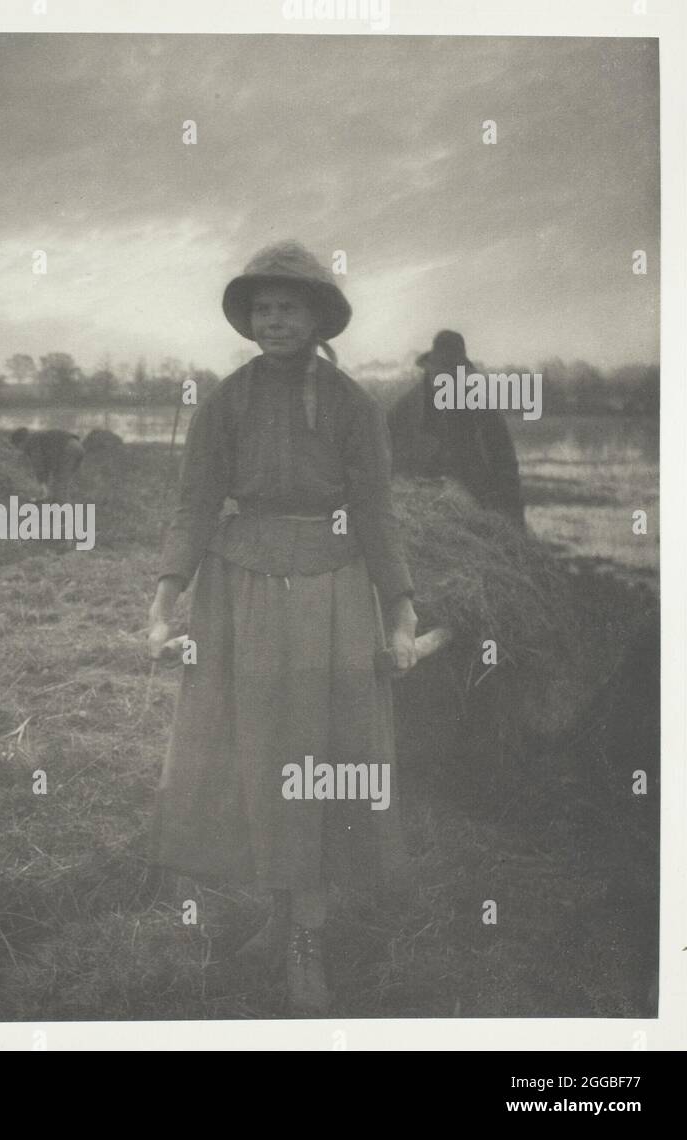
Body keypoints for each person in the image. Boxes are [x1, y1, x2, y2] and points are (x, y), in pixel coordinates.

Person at [146, 240, 418, 1017]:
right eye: (262, 309)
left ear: (317, 317)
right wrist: (166, 596)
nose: (274, 321)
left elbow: (375, 512)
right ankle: (277, 911)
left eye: (288, 308)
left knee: (317, 754)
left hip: (331, 595)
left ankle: (310, 938)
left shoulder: (351, 405)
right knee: (256, 751)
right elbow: (195, 502)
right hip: (238, 593)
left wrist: (400, 610)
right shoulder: (225, 401)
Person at [388, 330, 525, 526]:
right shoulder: (404, 410)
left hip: (475, 513)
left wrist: (515, 522)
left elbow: (506, 468)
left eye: (454, 371)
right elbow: (381, 464)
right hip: (419, 516)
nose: (448, 378)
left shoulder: (484, 411)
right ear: (429, 368)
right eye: (443, 369)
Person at [9, 427, 85, 500]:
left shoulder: (31, 441)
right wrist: (45, 483)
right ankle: (59, 507)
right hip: (78, 446)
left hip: (68, 449)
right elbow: (47, 466)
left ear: (21, 442)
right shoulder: (39, 437)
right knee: (61, 484)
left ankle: (61, 511)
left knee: (59, 486)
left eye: (18, 447)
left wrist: (43, 485)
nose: (20, 450)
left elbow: (38, 463)